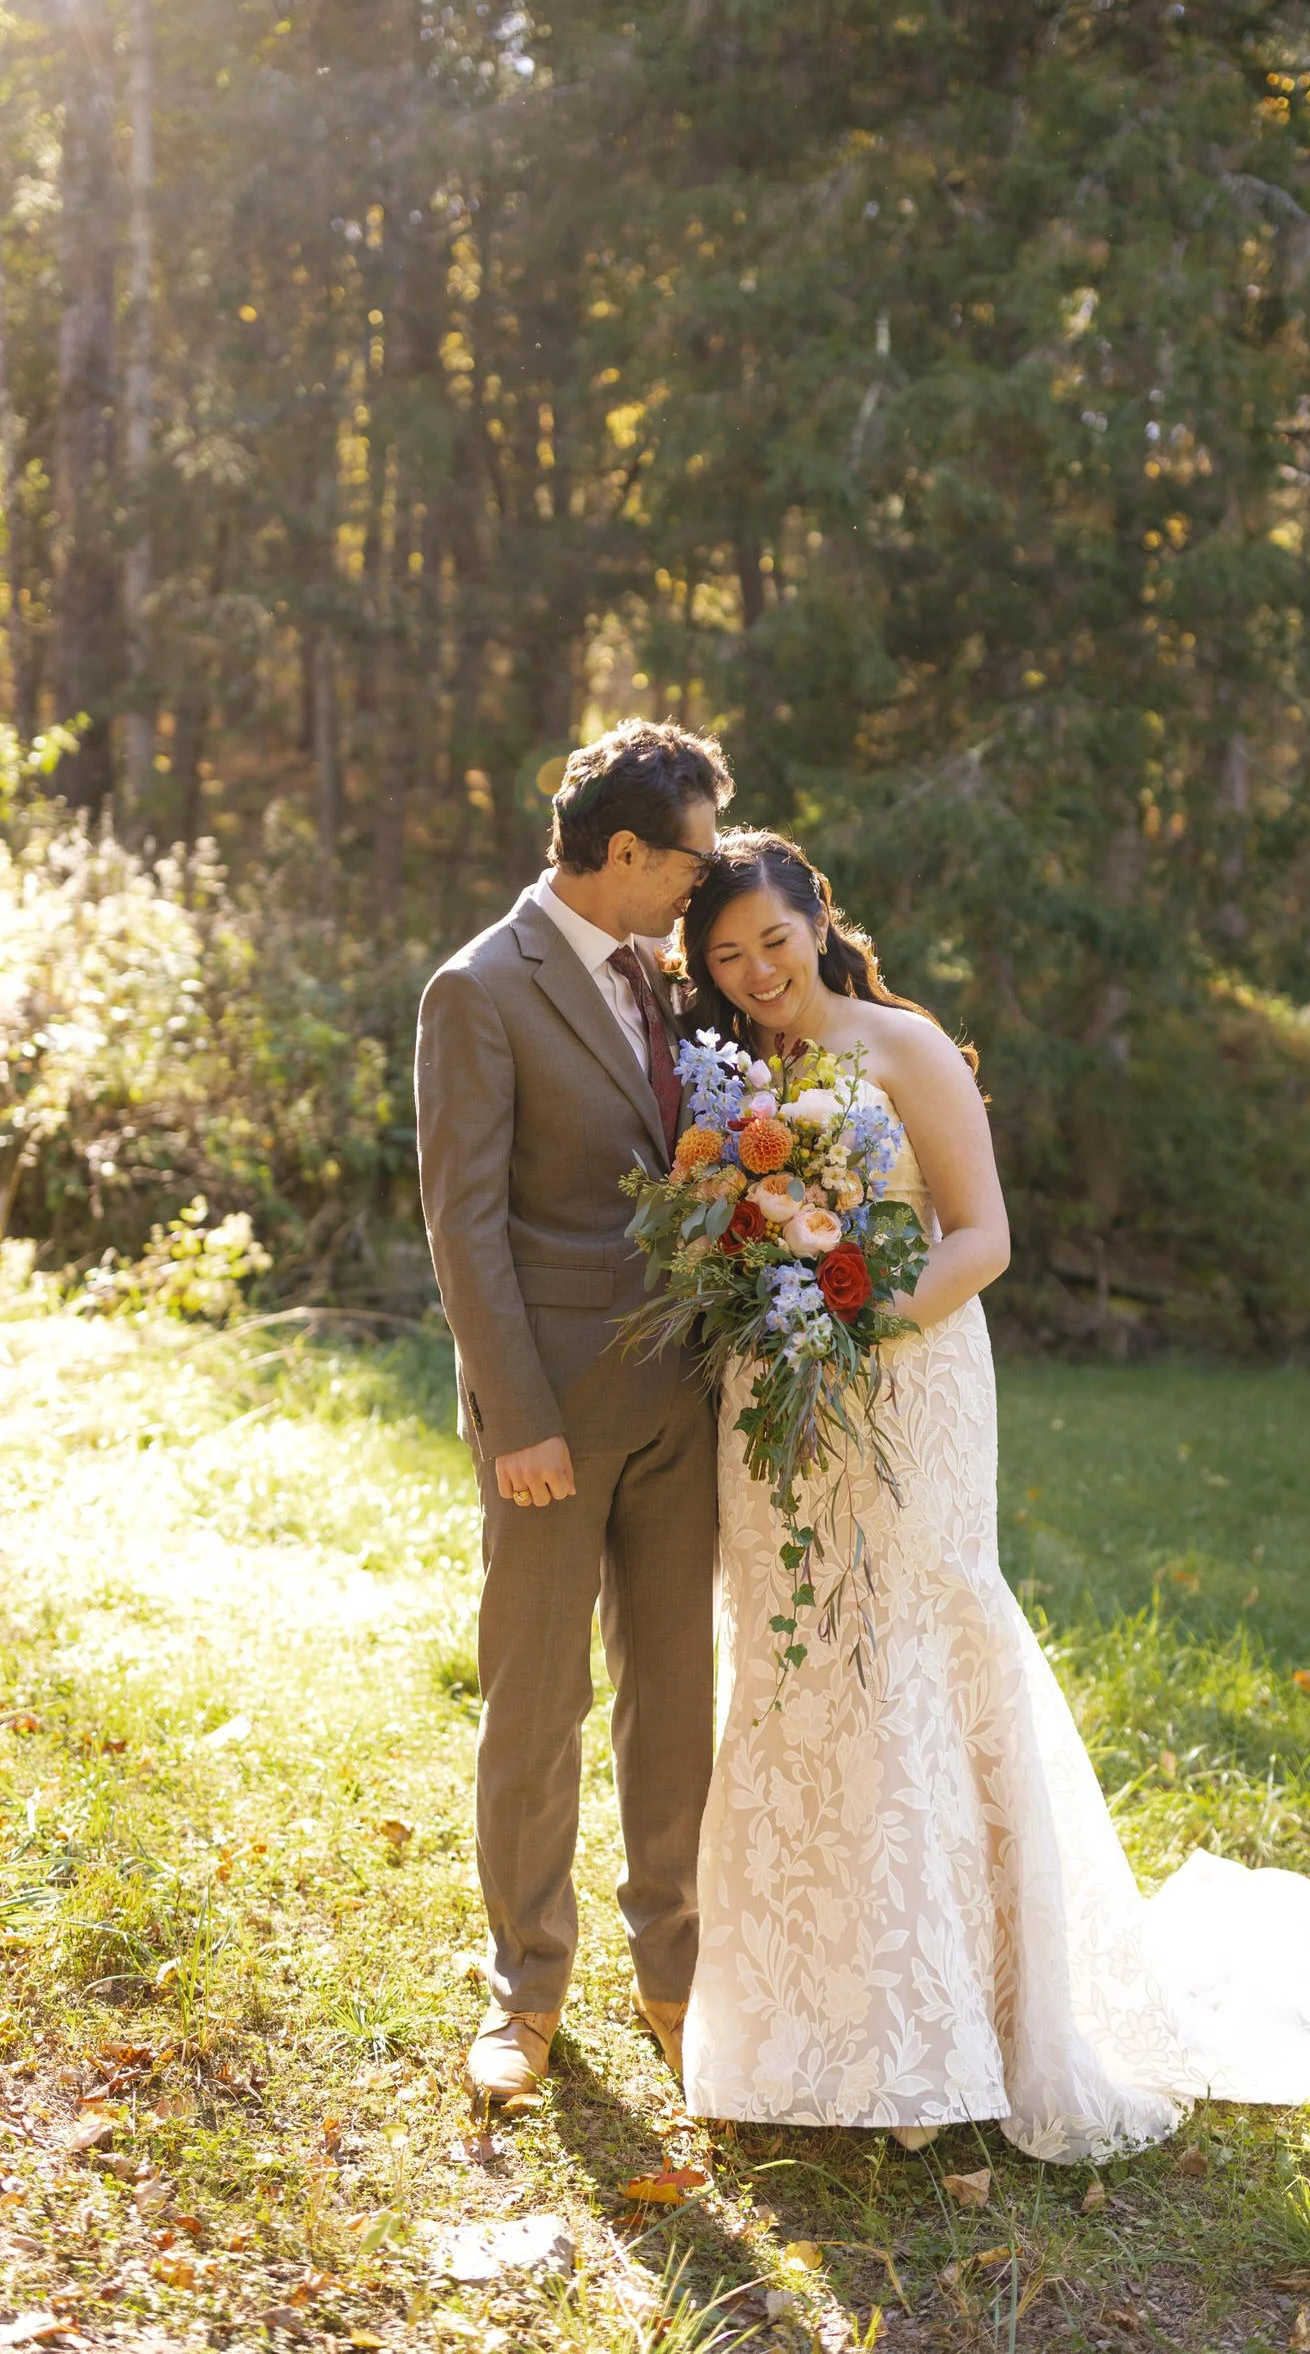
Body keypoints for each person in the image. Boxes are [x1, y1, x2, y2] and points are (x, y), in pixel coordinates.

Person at [675, 829, 1310, 2162]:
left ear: (818, 922)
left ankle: (943, 2037)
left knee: (908, 1653)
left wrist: (862, 1324)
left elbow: (983, 1236)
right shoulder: (748, 1083)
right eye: (725, 958)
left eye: (772, 945)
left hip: (906, 1388)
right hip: (782, 1410)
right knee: (799, 1665)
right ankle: (806, 2028)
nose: (752, 974)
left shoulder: (903, 1046)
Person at [414, 719, 730, 2103]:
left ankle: (678, 1973)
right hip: (549, 1417)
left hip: (684, 1406)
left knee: (676, 1697)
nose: (702, 887)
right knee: (537, 1704)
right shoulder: (478, 989)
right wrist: (519, 1411)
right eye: (690, 859)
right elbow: (462, 1227)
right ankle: (524, 1988)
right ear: (619, 851)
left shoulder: (667, 977)